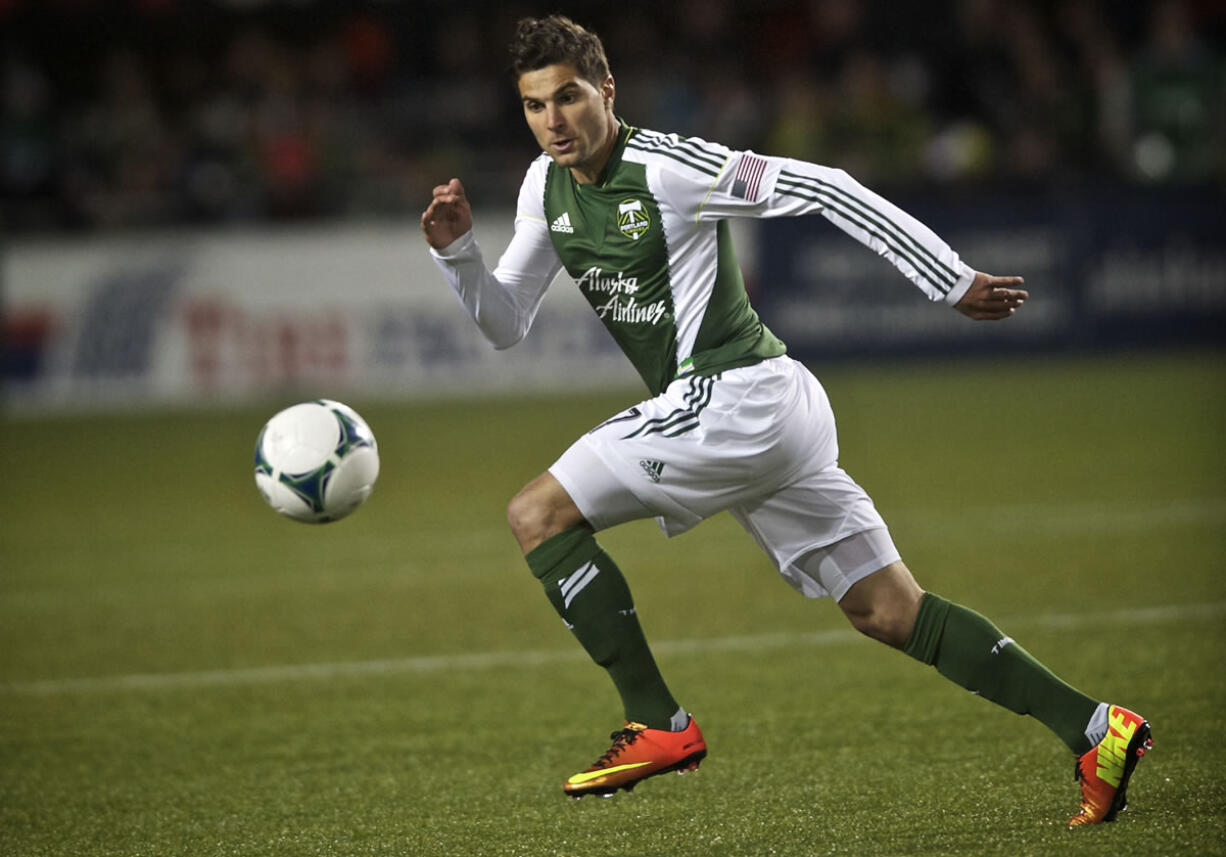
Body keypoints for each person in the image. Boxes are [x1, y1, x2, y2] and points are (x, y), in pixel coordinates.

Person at [420, 14, 1151, 826]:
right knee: (887, 609)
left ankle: (659, 722)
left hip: (736, 396)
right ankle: (1095, 729)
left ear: (607, 91)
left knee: (537, 512)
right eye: (534, 106)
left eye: (568, 97)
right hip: (761, 411)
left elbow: (828, 187)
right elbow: (506, 321)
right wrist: (458, 258)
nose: (553, 121)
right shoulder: (541, 188)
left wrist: (949, 279)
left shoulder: (668, 168)